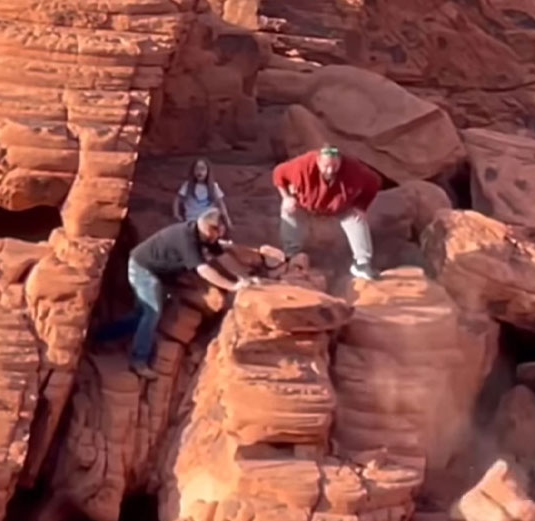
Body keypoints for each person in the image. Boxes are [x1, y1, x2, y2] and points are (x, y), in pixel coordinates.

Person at [127, 208, 250, 380]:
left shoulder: (205, 235)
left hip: (160, 272)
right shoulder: (187, 238)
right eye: (218, 233)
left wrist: (244, 277)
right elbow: (203, 269)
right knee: (152, 311)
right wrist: (232, 286)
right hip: (143, 269)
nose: (218, 238)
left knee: (141, 316)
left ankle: (103, 337)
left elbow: (222, 258)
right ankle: (138, 361)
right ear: (210, 229)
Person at [272, 145, 382, 280]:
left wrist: (361, 206)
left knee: (356, 218)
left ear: (340, 161)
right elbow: (278, 173)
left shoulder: (353, 168)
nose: (330, 170)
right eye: (326, 166)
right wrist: (287, 197)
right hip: (305, 203)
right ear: (318, 161)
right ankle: (291, 256)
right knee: (288, 209)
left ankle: (362, 264)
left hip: (339, 205)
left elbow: (374, 182)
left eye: (335, 166)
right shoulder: (302, 164)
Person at [173, 158, 233, 233]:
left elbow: (220, 203)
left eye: (202, 169)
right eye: (197, 169)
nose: (199, 172)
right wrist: (176, 214)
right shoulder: (187, 186)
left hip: (208, 220)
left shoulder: (213, 187)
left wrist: (227, 219)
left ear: (208, 171)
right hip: (192, 220)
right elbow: (177, 199)